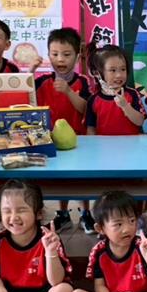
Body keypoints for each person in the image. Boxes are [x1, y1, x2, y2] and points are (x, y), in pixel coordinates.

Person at [32, 27, 94, 232]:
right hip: (50, 140)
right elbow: (25, 97)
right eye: (55, 54)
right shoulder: (42, 81)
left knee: (82, 177)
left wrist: (68, 91)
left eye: (67, 54)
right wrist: (30, 72)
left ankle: (86, 213)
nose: (60, 59)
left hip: (78, 139)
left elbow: (86, 108)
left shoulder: (83, 81)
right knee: (60, 177)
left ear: (77, 56)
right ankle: (63, 213)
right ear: (48, 55)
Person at [85, 46, 147, 136]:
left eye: (123, 69)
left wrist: (125, 106)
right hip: (103, 144)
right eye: (112, 70)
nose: (119, 75)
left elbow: (140, 121)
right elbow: (91, 129)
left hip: (131, 144)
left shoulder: (132, 94)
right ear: (97, 73)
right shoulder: (93, 100)